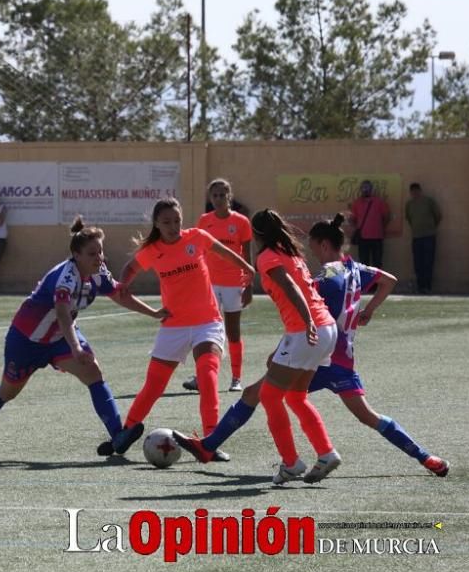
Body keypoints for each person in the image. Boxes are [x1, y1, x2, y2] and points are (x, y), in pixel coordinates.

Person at [0, 217, 168, 455]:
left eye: (100, 252)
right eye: (92, 254)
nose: (99, 258)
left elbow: (120, 295)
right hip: (26, 341)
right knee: (8, 392)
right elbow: (62, 313)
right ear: (76, 254)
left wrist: (153, 313)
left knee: (93, 372)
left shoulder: (98, 272)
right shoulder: (66, 277)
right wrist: (75, 347)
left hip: (60, 338)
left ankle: (118, 436)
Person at [174, 209, 340, 485]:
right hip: (324, 330)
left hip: (307, 330)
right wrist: (289, 339)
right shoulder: (291, 253)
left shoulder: (266, 257)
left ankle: (291, 463)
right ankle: (325, 453)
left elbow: (290, 288)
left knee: (272, 397)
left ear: (257, 235)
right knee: (287, 396)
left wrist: (306, 320)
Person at [307, 214, 449, 477]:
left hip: (316, 357)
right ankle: (426, 458)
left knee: (270, 394)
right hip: (342, 362)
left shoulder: (324, 276)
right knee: (369, 416)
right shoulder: (355, 269)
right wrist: (369, 310)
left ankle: (304, 457)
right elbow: (389, 280)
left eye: (313, 247)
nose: (312, 253)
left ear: (324, 245)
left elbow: (306, 308)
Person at [114, 198, 255, 459]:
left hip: (207, 322)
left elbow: (224, 252)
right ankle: (127, 430)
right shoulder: (152, 250)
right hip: (173, 326)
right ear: (156, 223)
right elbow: (129, 269)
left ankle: (209, 442)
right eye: (166, 222)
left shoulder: (197, 237)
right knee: (154, 385)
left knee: (207, 374)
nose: (173, 226)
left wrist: (247, 268)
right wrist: (123, 285)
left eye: (177, 220)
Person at [182, 178, 253, 393]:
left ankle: (236, 378)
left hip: (233, 284)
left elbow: (247, 256)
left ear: (229, 196)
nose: (219, 199)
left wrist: (248, 285)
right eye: (215, 195)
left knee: (232, 332)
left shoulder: (241, 222)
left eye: (223, 195)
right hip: (209, 284)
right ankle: (201, 377)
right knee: (205, 332)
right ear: (210, 198)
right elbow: (199, 251)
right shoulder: (204, 221)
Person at [404, 182, 442, 293]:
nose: (414, 193)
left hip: (429, 236)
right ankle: (420, 286)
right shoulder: (409, 204)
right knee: (418, 263)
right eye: (412, 191)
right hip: (416, 237)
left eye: (416, 191)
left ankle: (427, 286)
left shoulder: (429, 201)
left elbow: (438, 216)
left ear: (420, 191)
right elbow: (409, 219)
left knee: (428, 262)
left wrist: (431, 227)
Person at [349, 179, 390, 268]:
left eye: (367, 188)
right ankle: (367, 282)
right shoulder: (357, 203)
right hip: (363, 238)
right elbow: (352, 219)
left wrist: (381, 228)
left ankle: (377, 282)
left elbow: (386, 217)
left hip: (377, 237)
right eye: (363, 188)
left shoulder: (379, 202)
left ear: (371, 189)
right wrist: (358, 228)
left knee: (377, 263)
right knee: (364, 264)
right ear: (361, 189)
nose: (365, 190)